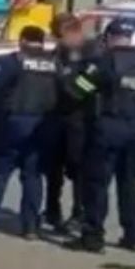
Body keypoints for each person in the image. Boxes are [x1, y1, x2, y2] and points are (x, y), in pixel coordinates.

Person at [68, 19, 135, 254]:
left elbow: (78, 90)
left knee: (97, 185)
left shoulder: (104, 62)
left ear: (109, 38)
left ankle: (93, 238)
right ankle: (134, 236)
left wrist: (74, 75)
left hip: (107, 128)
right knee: (129, 185)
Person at [0, 25, 59, 239]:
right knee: (33, 176)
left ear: (22, 41)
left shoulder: (12, 62)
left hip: (13, 122)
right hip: (42, 124)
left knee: (0, 173)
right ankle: (30, 227)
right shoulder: (54, 64)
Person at [43, 14, 97, 235]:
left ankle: (79, 213)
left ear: (72, 32)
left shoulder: (92, 52)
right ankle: (52, 210)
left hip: (80, 118)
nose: (58, 41)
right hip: (57, 116)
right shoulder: (59, 52)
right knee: (53, 168)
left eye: (60, 36)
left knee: (78, 168)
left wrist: (70, 88)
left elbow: (90, 83)